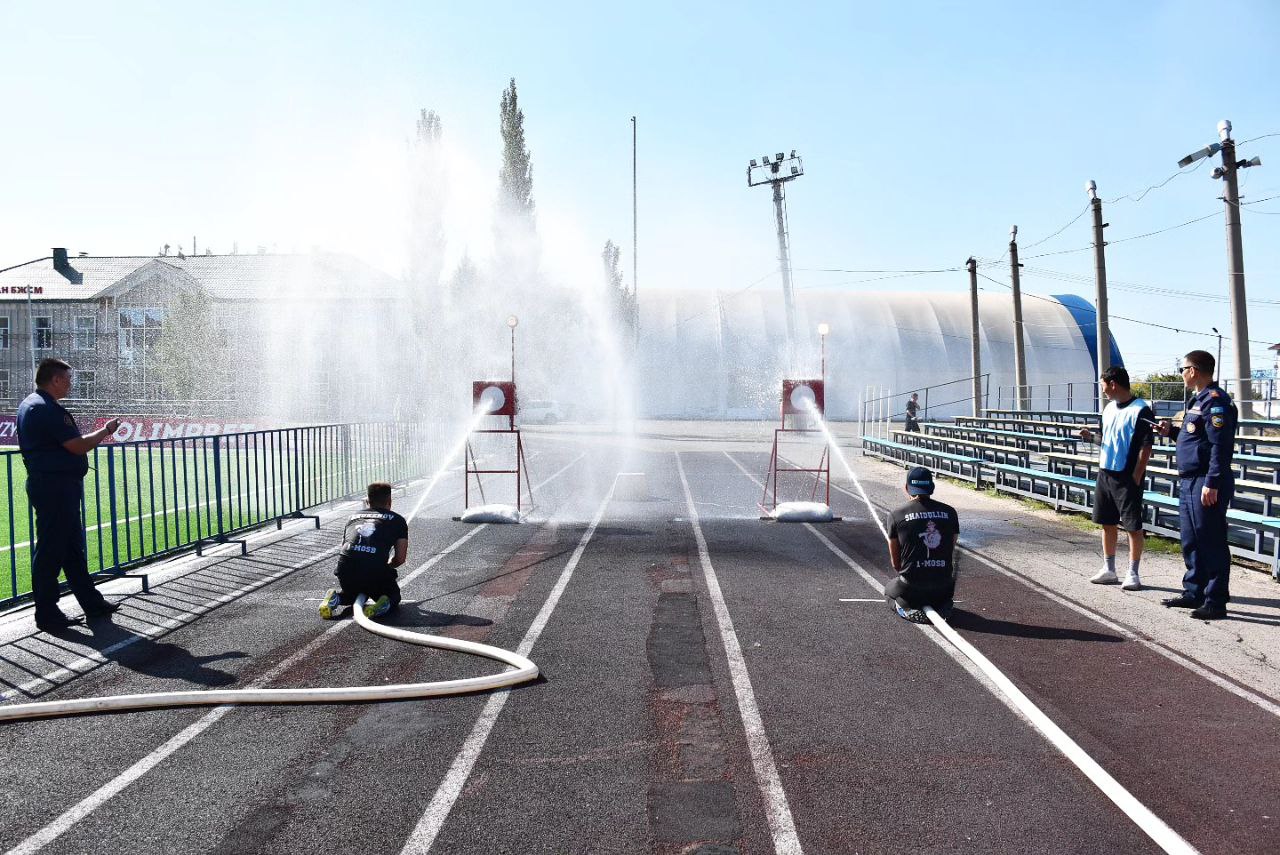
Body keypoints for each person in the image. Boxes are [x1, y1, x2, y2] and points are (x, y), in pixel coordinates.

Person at [17, 358, 122, 633]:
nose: (71, 383)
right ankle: (47, 612)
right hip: (55, 487)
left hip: (53, 485)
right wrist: (106, 431)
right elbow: (76, 446)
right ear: (55, 380)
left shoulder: (31, 404)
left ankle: (91, 603)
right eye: (68, 378)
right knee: (52, 550)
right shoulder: (47, 409)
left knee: (71, 548)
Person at [1157, 350, 1236, 620]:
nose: (1181, 374)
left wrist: (1212, 482)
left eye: (1183, 369)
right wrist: (1172, 433)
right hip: (1190, 480)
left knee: (1210, 539)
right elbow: (1197, 439)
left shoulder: (1215, 402)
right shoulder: (1197, 400)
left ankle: (1215, 599)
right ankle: (1194, 592)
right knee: (1191, 539)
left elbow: (1220, 446)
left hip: (1206, 480)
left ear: (1194, 370)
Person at [1077, 366, 1154, 591]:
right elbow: (1107, 438)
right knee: (1107, 523)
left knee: (1133, 527)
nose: (1102, 391)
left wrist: (1137, 475)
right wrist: (1091, 437)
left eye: (1103, 385)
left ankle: (1133, 573)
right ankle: (1109, 569)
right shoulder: (1109, 409)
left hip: (1127, 477)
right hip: (1105, 473)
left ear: (1113, 383)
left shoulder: (1141, 410)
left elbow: (1146, 446)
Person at [320, 481, 409, 620]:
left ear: (367, 501)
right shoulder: (398, 520)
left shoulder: (352, 517)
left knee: (352, 595)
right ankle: (381, 604)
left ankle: (335, 597)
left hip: (345, 570)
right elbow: (400, 558)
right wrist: (386, 566)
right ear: (390, 501)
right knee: (393, 595)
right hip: (374, 572)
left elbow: (345, 548)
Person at [885, 466, 960, 623]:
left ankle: (905, 609)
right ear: (931, 487)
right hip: (944, 586)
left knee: (889, 591)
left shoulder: (896, 515)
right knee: (941, 590)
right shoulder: (951, 512)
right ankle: (943, 605)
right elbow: (949, 549)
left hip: (911, 587)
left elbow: (896, 564)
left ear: (907, 488)